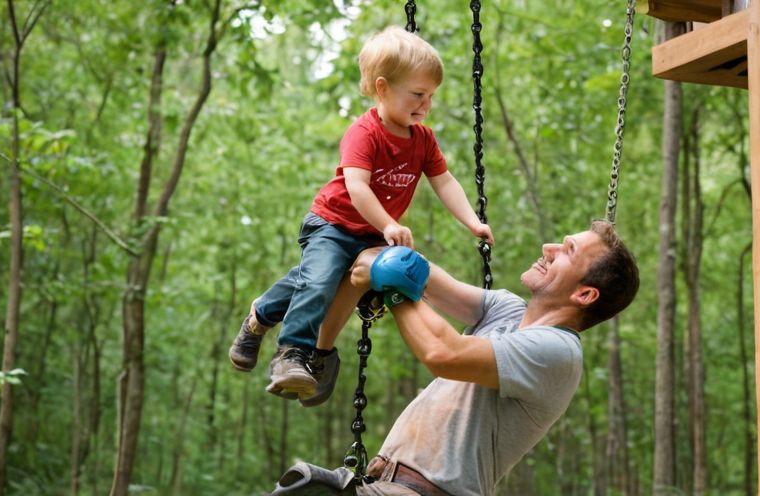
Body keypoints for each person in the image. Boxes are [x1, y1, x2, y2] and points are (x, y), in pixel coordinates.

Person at [272, 220, 639, 495]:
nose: (548, 247)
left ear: (586, 295)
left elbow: (443, 353)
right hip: (381, 482)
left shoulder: (559, 352)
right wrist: (382, 246)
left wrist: (392, 284)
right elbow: (423, 275)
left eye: (568, 251)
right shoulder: (508, 310)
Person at [229, 26, 494, 406]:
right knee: (319, 281)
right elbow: (357, 188)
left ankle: (259, 315)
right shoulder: (364, 133)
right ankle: (292, 353)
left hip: (370, 235)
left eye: (431, 96)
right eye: (418, 94)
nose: (426, 104)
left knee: (313, 281)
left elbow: (445, 181)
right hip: (333, 224)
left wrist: (471, 220)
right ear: (383, 88)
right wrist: (388, 223)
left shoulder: (423, 140)